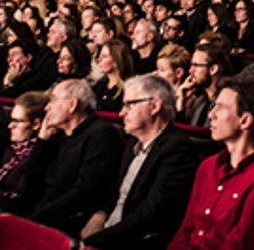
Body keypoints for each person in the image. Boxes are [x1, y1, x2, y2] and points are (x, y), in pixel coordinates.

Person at [81, 74, 199, 249]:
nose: (121, 113)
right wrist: (102, 213)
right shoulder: (134, 143)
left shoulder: (177, 148)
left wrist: (100, 240)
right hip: (112, 229)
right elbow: (117, 191)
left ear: (154, 106)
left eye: (129, 104)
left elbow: (153, 213)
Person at [168, 77, 254, 249]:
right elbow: (187, 227)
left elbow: (241, 243)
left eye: (220, 108)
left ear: (245, 121)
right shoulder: (208, 166)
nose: (211, 115)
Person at [25, 79, 121, 235]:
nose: (47, 107)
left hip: (65, 220)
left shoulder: (101, 135)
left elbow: (85, 192)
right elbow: (31, 181)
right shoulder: (57, 135)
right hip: (42, 210)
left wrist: (35, 220)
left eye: (53, 100)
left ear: (72, 105)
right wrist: (42, 141)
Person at [0, 91, 48, 212]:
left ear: (36, 124)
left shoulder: (37, 157)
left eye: (17, 121)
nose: (10, 126)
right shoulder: (13, 149)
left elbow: (18, 198)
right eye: (11, 120)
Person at [93, 38, 135, 113]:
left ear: (117, 60)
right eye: (100, 55)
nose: (99, 59)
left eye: (104, 56)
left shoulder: (129, 88)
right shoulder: (99, 86)